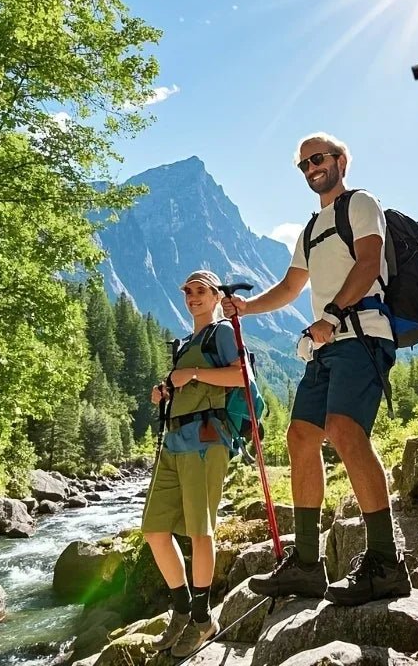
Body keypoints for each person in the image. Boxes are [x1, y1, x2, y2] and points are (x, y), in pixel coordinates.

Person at [222, 133, 410, 606]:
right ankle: (307, 565)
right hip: (326, 345)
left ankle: (387, 564)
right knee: (301, 437)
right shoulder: (311, 228)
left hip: (362, 334)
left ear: (341, 160)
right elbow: (289, 286)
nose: (311, 168)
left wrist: (330, 316)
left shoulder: (361, 204)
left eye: (318, 159)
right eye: (303, 164)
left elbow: (368, 263)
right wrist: (245, 309)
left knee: (345, 431)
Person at [142, 270, 243, 656]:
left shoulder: (223, 333)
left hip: (206, 441)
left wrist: (193, 373)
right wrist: (166, 389)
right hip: (174, 441)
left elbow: (242, 376)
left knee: (201, 532)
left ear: (216, 296)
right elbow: (185, 383)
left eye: (201, 291)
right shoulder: (185, 342)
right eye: (188, 291)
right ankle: (182, 610)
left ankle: (203, 619)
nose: (193, 297)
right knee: (154, 530)